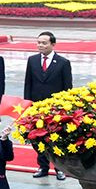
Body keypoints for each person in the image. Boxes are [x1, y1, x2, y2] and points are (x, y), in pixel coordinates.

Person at [23, 32, 73, 179]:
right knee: (38, 138)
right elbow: (28, 83)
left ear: (53, 44)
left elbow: (67, 87)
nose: (40, 45)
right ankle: (42, 166)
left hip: (55, 108)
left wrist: (65, 107)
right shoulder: (32, 60)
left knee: (56, 138)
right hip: (37, 106)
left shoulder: (63, 62)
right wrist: (28, 103)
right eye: (38, 42)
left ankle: (59, 168)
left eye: (44, 43)